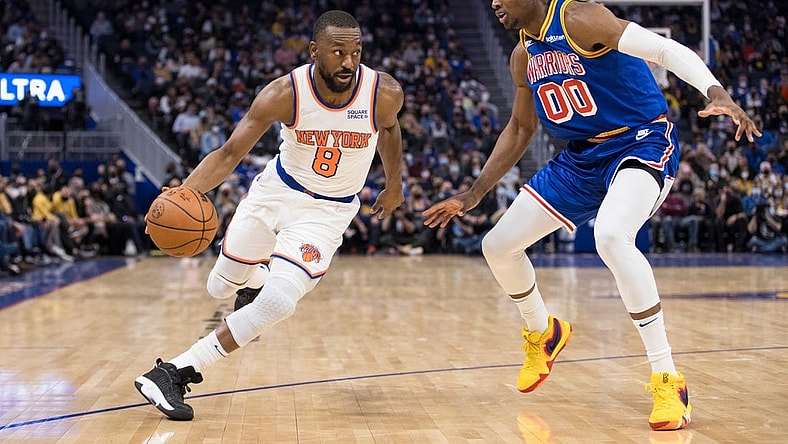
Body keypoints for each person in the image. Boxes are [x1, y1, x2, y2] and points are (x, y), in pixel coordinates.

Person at [423, 0, 761, 431]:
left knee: (612, 235)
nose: (493, 3)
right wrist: (473, 193)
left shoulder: (579, 18)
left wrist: (714, 90)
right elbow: (521, 129)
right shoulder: (523, 54)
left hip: (639, 141)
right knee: (497, 245)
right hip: (581, 159)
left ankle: (667, 377)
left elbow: (664, 50)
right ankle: (543, 333)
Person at [134, 10, 404, 421]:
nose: (349, 62)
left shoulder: (382, 92)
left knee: (280, 301)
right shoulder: (284, 93)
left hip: (328, 212)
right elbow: (229, 153)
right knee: (219, 288)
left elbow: (389, 130)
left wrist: (394, 183)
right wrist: (183, 193)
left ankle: (174, 371)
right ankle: (254, 280)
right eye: (337, 52)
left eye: (356, 51)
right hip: (274, 193)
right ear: (315, 51)